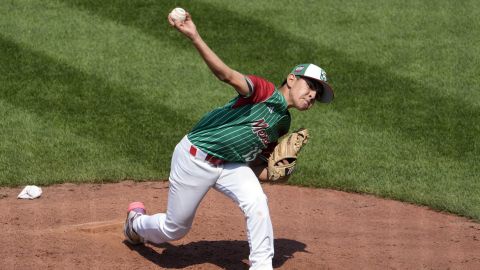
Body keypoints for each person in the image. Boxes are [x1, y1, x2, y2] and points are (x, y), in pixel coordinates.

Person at [124, 10, 334, 270]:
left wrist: (278, 173)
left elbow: (254, 166)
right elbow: (226, 75)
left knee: (256, 201)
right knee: (174, 229)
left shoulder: (283, 123)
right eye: (311, 86)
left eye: (318, 93)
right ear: (291, 79)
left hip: (229, 165)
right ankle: (135, 223)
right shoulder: (263, 92)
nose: (313, 95)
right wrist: (194, 36)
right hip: (195, 157)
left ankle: (261, 265)